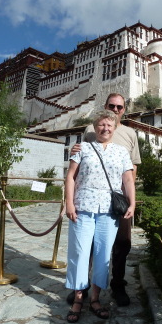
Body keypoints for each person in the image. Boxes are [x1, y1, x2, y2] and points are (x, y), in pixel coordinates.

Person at [67, 93, 141, 307]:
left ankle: (117, 285)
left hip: (117, 199)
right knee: (87, 247)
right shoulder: (90, 130)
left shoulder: (129, 133)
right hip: (88, 200)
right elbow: (77, 163)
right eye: (112, 106)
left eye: (119, 107)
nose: (116, 110)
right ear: (105, 107)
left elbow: (132, 169)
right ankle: (82, 288)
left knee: (121, 244)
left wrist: (129, 199)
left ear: (124, 110)